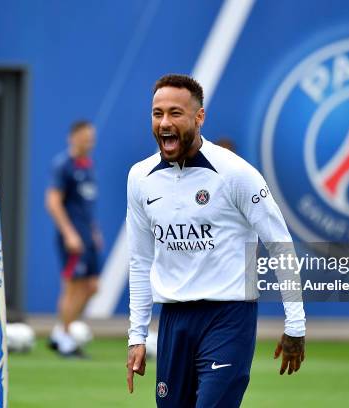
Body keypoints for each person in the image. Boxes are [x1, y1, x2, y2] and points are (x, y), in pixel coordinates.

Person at [125, 74, 306, 407]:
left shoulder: (237, 174)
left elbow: (279, 244)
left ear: (199, 117)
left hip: (229, 317)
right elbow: (140, 259)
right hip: (174, 322)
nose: (164, 122)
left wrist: (295, 323)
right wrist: (136, 335)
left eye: (175, 113)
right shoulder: (139, 178)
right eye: (157, 113)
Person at [45, 120, 102, 357]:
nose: (90, 141)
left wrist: (94, 231)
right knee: (72, 287)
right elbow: (53, 201)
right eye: (85, 136)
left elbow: (85, 205)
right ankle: (65, 338)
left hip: (87, 236)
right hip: (73, 238)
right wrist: (69, 233)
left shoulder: (88, 165)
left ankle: (61, 332)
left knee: (91, 286)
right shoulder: (63, 166)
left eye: (92, 137)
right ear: (73, 137)